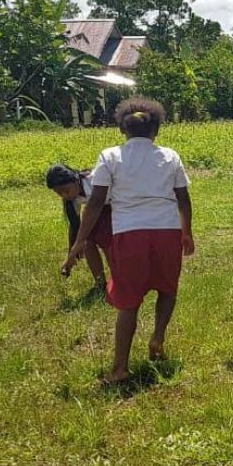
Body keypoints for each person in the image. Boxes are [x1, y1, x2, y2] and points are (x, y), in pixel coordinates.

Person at [63, 99, 193, 385]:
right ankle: (158, 337)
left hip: (129, 234)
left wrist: (79, 241)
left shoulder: (110, 156)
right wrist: (187, 233)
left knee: (128, 303)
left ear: (122, 130)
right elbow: (183, 199)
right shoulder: (171, 156)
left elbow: (95, 203)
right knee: (168, 289)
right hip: (167, 231)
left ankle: (120, 368)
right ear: (156, 130)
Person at [48, 163, 111, 292]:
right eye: (59, 193)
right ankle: (100, 283)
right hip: (95, 210)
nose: (65, 195)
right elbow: (75, 227)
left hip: (115, 206)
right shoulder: (73, 199)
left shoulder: (94, 182)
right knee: (87, 242)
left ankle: (120, 280)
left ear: (76, 180)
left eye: (66, 190)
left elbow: (96, 206)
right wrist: (71, 254)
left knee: (106, 239)